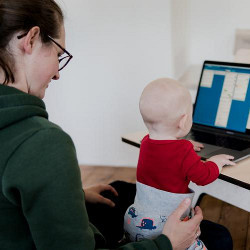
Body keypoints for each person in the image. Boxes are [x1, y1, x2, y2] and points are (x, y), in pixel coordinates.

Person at [0, 1, 232, 249]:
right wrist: (167, 243)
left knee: (118, 190)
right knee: (219, 238)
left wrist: (71, 197)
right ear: (32, 39)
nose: (58, 72)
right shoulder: (42, 141)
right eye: (58, 55)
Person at [124, 78, 235, 248]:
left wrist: (185, 145)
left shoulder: (146, 142)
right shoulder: (183, 150)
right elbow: (203, 176)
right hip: (167, 226)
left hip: (135, 220)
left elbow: (164, 153)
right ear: (183, 121)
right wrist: (215, 162)